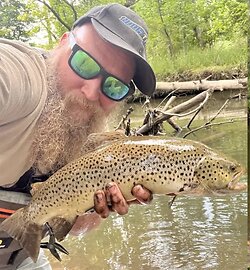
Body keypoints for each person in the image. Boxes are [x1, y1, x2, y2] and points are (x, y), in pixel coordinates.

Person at [0, 4, 156, 269]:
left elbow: (71, 226)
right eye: (84, 63)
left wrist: (89, 208)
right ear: (62, 44)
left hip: (18, 257)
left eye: (114, 85)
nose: (92, 91)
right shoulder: (22, 81)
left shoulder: (93, 142)